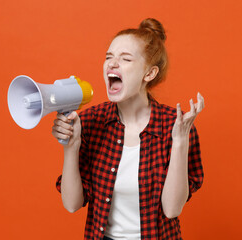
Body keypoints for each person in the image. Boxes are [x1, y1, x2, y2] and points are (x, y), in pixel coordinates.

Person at [53, 18, 205, 240]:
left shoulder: (176, 125)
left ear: (149, 73)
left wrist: (180, 143)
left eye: (125, 59)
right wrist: (71, 146)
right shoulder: (91, 121)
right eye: (108, 57)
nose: (112, 64)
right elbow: (71, 204)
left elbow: (172, 209)